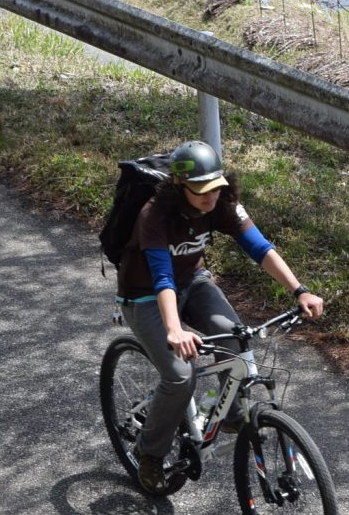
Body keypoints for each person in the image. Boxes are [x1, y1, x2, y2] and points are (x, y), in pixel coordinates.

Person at [118, 139, 325, 491]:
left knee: (234, 337)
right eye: (200, 191)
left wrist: (299, 289)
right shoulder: (154, 214)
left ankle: (230, 415)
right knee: (182, 376)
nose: (210, 196)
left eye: (215, 187)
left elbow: (259, 247)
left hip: (194, 282)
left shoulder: (223, 203)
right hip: (145, 295)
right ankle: (150, 453)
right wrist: (175, 329)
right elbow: (161, 277)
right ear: (180, 187)